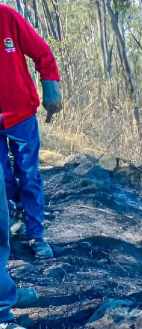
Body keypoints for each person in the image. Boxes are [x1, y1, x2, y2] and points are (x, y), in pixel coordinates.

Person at [0, 4, 62, 259]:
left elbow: (42, 53)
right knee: (2, 180)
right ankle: (13, 215)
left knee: (29, 174)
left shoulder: (7, 17)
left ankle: (36, 234)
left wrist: (51, 88)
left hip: (22, 114)